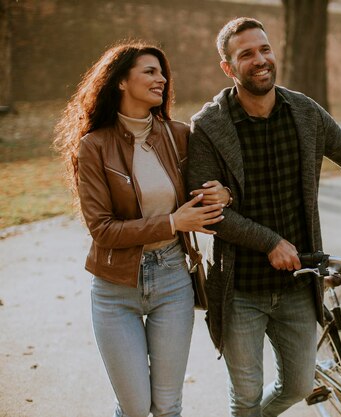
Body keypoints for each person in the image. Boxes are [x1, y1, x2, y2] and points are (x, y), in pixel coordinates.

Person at [186, 17, 341, 417]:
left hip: (299, 281)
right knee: (246, 395)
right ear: (228, 67)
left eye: (265, 49)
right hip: (240, 290)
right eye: (246, 54)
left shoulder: (304, 113)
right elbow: (210, 213)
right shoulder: (208, 126)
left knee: (300, 384)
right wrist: (269, 241)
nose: (260, 60)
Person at [53, 41, 231, 417]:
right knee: (134, 408)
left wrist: (224, 193)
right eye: (150, 71)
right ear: (120, 81)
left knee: (167, 406)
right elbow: (102, 229)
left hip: (172, 280)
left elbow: (212, 189)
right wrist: (171, 222)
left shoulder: (178, 135)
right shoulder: (94, 146)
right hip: (115, 286)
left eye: (162, 73)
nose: (161, 79)